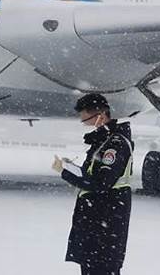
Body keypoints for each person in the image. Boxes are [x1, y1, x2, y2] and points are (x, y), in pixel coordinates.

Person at [52, 93, 134, 275]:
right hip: (96, 220)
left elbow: (101, 183)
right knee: (91, 267)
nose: (87, 125)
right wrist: (70, 167)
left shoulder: (115, 144)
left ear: (101, 116)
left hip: (107, 220)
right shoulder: (103, 141)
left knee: (102, 268)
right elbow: (92, 174)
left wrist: (64, 172)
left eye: (87, 120)